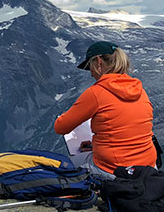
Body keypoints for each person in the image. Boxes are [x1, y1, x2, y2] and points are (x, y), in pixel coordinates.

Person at [54, 41, 157, 180]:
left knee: (61, 166)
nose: (91, 73)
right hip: (148, 167)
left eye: (90, 66)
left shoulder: (96, 93)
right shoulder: (139, 90)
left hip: (114, 170)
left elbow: (60, 127)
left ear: (98, 61)